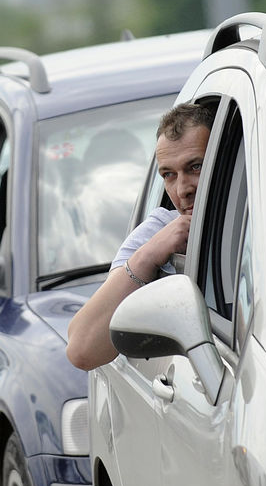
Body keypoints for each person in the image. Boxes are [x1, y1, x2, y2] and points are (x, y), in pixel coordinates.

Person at [65, 102, 214, 371]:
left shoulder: (263, 213)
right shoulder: (161, 229)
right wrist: (149, 255)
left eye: (195, 167)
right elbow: (81, 349)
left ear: (222, 160)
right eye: (168, 174)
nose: (182, 190)